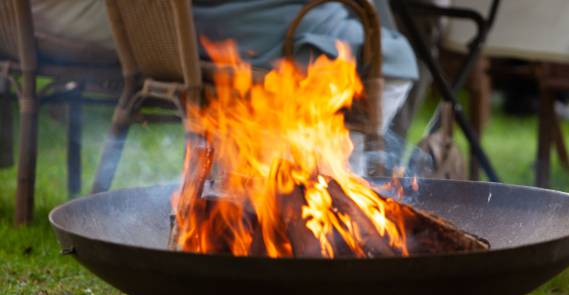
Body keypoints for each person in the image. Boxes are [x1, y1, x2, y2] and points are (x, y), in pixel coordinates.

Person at [31, 0, 419, 175]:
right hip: (237, 28)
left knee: (361, 34)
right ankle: (334, 179)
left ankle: (310, 179)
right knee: (390, 55)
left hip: (174, 27)